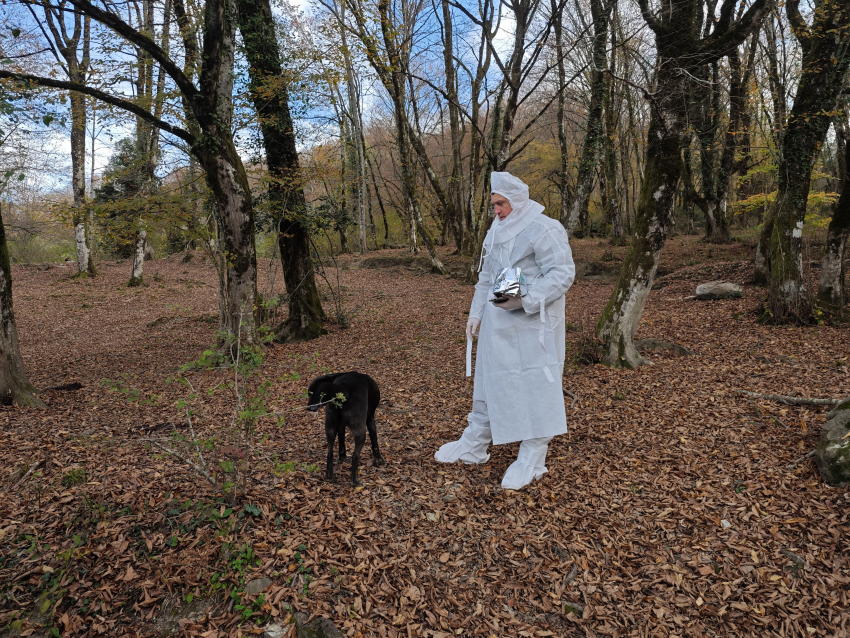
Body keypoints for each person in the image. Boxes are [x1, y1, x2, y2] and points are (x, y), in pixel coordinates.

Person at [435, 172, 575, 490]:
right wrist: (476, 313)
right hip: (498, 322)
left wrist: (527, 298)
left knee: (536, 384)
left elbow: (562, 273)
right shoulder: (496, 230)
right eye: (494, 204)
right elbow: (487, 277)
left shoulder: (544, 227)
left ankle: (533, 455)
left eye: (501, 204)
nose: (496, 210)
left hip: (534, 325)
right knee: (490, 379)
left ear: (518, 201)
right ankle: (475, 441)